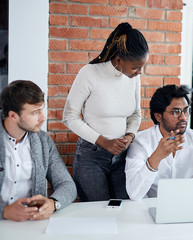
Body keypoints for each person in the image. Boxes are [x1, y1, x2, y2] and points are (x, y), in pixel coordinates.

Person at [63, 22, 148, 201]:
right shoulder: (89, 73)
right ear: (118, 60)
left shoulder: (132, 78)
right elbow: (70, 117)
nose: (140, 72)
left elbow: (135, 114)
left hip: (122, 156)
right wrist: (104, 142)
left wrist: (130, 136)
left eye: (142, 67)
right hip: (91, 158)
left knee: (125, 210)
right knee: (98, 215)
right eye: (135, 67)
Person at [0, 80, 77, 222]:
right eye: (35, 112)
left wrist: (53, 203)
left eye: (42, 109)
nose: (43, 118)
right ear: (13, 116)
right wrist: (5, 212)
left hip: (32, 225)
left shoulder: (43, 141)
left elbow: (67, 184)